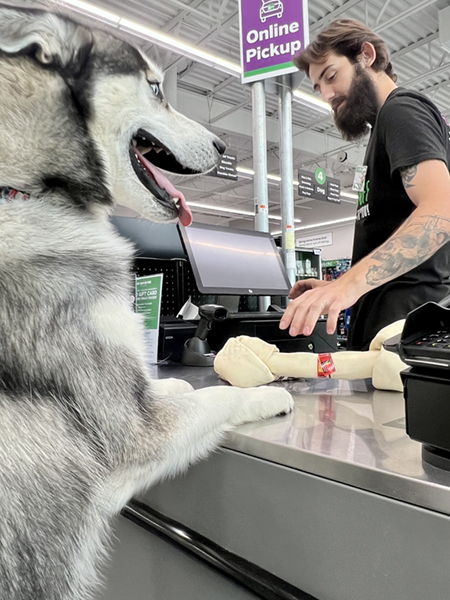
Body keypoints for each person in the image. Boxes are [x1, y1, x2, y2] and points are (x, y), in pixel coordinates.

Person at [280, 19, 450, 350]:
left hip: (403, 332)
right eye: (318, 87)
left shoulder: (401, 110)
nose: (327, 95)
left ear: (366, 56)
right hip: (386, 329)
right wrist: (340, 285)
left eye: (331, 76)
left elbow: (442, 209)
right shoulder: (383, 127)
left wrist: (347, 286)